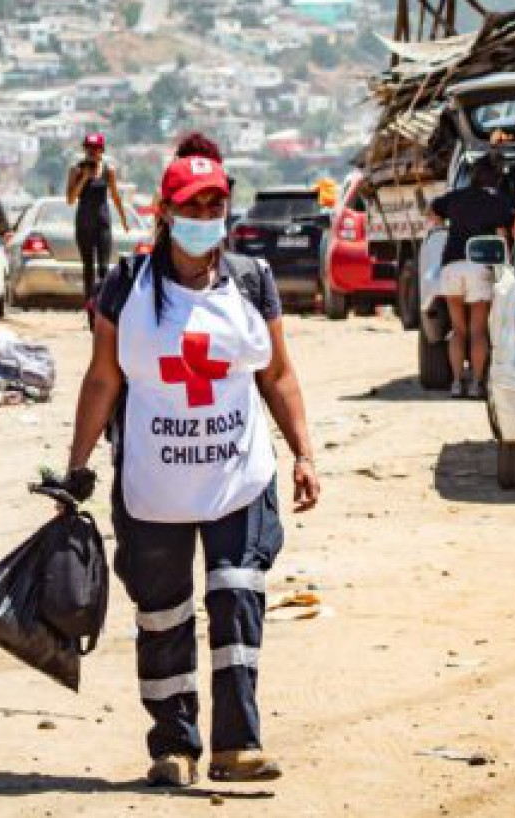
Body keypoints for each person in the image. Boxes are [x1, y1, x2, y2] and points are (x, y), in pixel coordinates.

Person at [63, 152, 322, 787]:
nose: (205, 218)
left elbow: (277, 375)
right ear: (165, 213)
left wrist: (303, 453)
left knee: (237, 597)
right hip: (154, 478)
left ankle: (239, 745)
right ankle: (174, 745)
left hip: (237, 473)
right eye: (192, 207)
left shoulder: (252, 280)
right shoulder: (126, 286)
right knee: (163, 610)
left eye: (214, 206)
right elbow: (103, 379)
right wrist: (76, 465)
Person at [428, 161, 515, 400]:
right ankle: (476, 383)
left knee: (458, 330)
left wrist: (441, 223)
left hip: (452, 266)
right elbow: (506, 233)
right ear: (496, 180)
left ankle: (456, 383)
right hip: (478, 265)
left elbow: (433, 210)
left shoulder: (456, 197)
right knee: (478, 331)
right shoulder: (497, 203)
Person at [66, 132, 130, 302]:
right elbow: (70, 199)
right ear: (84, 149)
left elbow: (116, 197)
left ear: (102, 150)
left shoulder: (108, 170)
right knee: (88, 268)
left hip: (103, 223)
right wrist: (84, 178)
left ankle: (102, 304)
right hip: (84, 224)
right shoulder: (76, 169)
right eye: (89, 148)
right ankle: (89, 306)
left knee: (103, 268)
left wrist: (124, 220)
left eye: (96, 149)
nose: (92, 152)